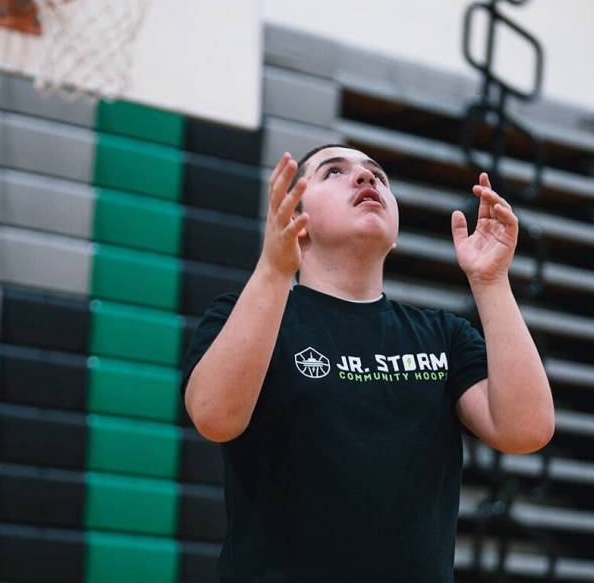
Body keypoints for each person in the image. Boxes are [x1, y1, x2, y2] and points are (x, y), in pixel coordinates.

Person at [180, 144, 554, 583]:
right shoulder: (246, 315)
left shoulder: (443, 335)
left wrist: (490, 282)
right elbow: (214, 417)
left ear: (394, 233)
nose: (365, 178)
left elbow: (526, 430)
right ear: (296, 220)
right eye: (334, 172)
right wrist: (273, 270)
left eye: (377, 175)